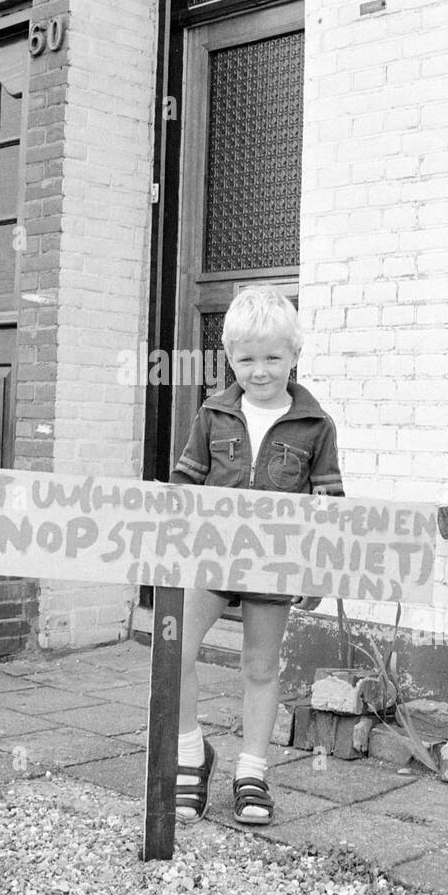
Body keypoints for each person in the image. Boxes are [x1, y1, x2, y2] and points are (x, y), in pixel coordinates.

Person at [168, 286, 344, 826]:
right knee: (173, 655)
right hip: (211, 557)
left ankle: (252, 772)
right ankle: (192, 755)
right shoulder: (213, 414)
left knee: (261, 668)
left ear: (295, 355)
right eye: (246, 359)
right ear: (229, 358)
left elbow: (328, 506)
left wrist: (321, 569)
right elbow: (185, 482)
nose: (260, 371)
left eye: (273, 358)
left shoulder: (316, 426)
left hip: (275, 563)